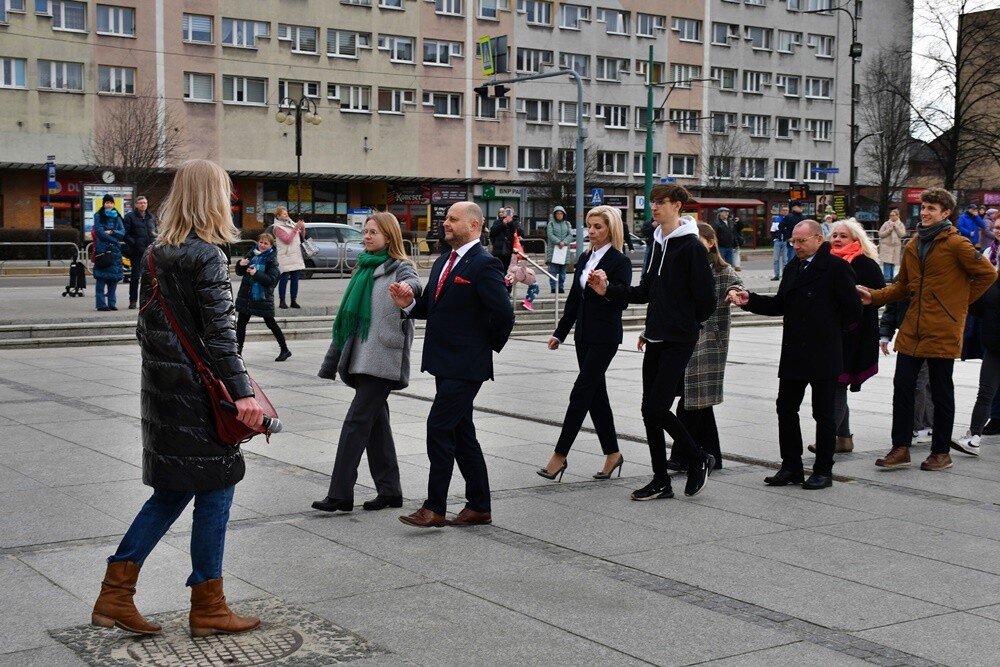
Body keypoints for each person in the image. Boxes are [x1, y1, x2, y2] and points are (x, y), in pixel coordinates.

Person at [91, 159, 265, 637]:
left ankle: (115, 593)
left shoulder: (153, 254)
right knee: (216, 491)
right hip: (200, 399)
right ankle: (207, 606)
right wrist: (243, 394)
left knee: (172, 493)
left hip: (164, 395)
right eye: (225, 191)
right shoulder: (208, 256)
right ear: (212, 197)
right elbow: (222, 339)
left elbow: (144, 330)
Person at [390, 201, 514, 528]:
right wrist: (410, 304)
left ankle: (435, 507)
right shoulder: (445, 260)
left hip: (466, 365)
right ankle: (479, 505)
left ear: (473, 226)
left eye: (453, 219)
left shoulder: (484, 264)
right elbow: (433, 306)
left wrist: (484, 348)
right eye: (446, 218)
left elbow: (504, 314)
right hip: (443, 362)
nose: (445, 223)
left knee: (439, 428)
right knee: (461, 433)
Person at [590, 183, 717, 500]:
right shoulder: (656, 244)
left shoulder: (691, 248)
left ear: (677, 206)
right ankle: (661, 480)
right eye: (653, 202)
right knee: (650, 410)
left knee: (658, 407)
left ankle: (697, 456)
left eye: (660, 202)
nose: (654, 207)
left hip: (679, 337)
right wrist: (609, 291)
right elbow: (646, 291)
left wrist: (685, 323)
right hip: (657, 336)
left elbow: (707, 301)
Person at [858, 188, 997, 471]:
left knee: (942, 391)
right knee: (903, 389)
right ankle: (900, 448)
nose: (925, 212)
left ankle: (940, 452)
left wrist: (959, 304)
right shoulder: (913, 244)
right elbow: (901, 286)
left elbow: (988, 274)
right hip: (913, 329)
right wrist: (875, 296)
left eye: (932, 208)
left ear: (946, 213)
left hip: (943, 329)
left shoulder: (956, 243)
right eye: (923, 207)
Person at [729, 219, 862, 490]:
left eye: (801, 241)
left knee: (823, 414)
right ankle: (791, 466)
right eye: (793, 241)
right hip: (794, 352)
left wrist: (829, 331)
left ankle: (823, 470)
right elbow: (781, 304)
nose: (796, 246)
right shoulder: (794, 266)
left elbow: (853, 311)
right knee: (785, 408)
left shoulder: (836, 267)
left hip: (824, 352)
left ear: (818, 239)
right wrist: (750, 299)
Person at [312, 212, 422, 513]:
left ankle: (340, 494)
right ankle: (390, 491)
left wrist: (408, 291)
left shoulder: (400, 268)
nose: (367, 236)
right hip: (360, 357)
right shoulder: (362, 269)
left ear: (390, 236)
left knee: (355, 423)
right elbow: (347, 319)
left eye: (374, 232)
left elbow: (414, 285)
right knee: (376, 425)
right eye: (366, 231)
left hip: (383, 360)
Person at [538, 206, 631, 483]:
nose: (591, 231)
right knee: (596, 397)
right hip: (583, 337)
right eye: (589, 226)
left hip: (605, 338)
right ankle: (613, 454)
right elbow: (574, 300)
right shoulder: (585, 257)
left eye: (598, 227)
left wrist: (605, 289)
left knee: (580, 393)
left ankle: (559, 456)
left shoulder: (619, 262)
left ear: (611, 229)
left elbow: (623, 299)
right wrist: (560, 333)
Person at [666, 222, 742, 472]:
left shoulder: (722, 271)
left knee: (691, 400)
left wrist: (734, 292)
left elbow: (736, 283)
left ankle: (681, 455)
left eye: (699, 241)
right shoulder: (682, 267)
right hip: (683, 339)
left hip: (709, 342)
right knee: (699, 401)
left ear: (711, 243)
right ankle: (712, 455)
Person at [807, 219, 884, 455]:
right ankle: (843, 438)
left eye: (843, 236)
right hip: (830, 335)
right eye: (835, 235)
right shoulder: (825, 263)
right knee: (835, 384)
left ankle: (828, 439)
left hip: (854, 336)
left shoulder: (865, 264)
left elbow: (878, 295)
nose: (838, 239)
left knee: (836, 386)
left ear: (856, 240)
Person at [950, 275, 1000, 456]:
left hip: (994, 346)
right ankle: (973, 437)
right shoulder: (992, 283)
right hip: (994, 346)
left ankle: (974, 437)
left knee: (986, 393)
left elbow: (975, 307)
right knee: (986, 393)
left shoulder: (992, 283)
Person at [879, 298, 934, 445]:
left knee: (920, 382)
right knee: (922, 382)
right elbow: (892, 306)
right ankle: (925, 423)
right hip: (909, 337)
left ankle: (915, 427)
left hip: (931, 336)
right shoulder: (905, 278)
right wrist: (885, 334)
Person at [234, 233, 291, 362]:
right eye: (261, 242)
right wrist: (241, 264)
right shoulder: (252, 254)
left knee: (271, 323)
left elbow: (272, 280)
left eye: (266, 243)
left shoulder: (271, 261)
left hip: (262, 297)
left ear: (271, 245)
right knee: (241, 324)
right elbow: (240, 272)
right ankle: (238, 352)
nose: (262, 245)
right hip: (247, 296)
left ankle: (284, 349)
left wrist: (256, 274)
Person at [92, 193, 126, 312]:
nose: (109, 204)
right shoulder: (98, 215)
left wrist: (112, 232)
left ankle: (112, 303)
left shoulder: (117, 216)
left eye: (111, 202)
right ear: (104, 203)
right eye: (107, 202)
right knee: (101, 278)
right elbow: (99, 232)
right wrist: (114, 240)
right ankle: (101, 304)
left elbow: (123, 232)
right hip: (103, 249)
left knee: (113, 278)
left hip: (115, 251)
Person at [122, 195, 157, 309]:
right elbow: (125, 234)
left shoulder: (151, 217)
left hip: (150, 251)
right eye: (141, 203)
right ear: (136, 205)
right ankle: (133, 300)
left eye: (145, 203)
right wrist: (135, 244)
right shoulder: (130, 217)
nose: (143, 205)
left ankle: (150, 300)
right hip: (136, 252)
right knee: (135, 276)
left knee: (151, 277)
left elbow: (155, 232)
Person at [272, 206, 306, 309]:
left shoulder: (292, 223)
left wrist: (302, 227)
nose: (286, 215)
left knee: (295, 280)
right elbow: (287, 239)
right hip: (285, 256)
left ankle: (293, 300)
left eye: (286, 213)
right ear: (278, 216)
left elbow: (302, 237)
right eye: (283, 214)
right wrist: (296, 228)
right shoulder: (277, 227)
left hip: (295, 255)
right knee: (284, 279)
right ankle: (282, 301)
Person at [489, 207, 523, 287]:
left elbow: (520, 233)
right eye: (506, 212)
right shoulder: (498, 222)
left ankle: (507, 291)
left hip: (510, 252)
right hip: (499, 251)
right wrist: (503, 224)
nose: (507, 214)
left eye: (509, 212)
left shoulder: (515, 222)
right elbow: (492, 232)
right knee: (498, 272)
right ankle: (498, 289)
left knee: (509, 273)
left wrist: (511, 223)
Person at [546, 205, 573, 293]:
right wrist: (558, 242)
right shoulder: (551, 223)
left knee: (563, 271)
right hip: (553, 250)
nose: (559, 215)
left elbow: (570, 235)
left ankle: (561, 286)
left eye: (561, 213)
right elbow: (550, 235)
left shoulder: (567, 224)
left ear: (563, 214)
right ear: (554, 215)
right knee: (553, 270)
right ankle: (553, 287)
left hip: (564, 251)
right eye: (557, 213)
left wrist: (564, 242)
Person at [878, 208, 907, 281]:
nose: (891, 217)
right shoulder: (886, 223)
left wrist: (896, 228)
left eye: (893, 215)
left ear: (898, 216)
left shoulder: (900, 224)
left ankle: (891, 277)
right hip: (886, 246)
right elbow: (880, 234)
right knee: (887, 262)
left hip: (895, 246)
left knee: (893, 262)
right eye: (890, 215)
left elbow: (902, 234)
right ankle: (887, 277)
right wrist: (888, 231)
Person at [770, 205, 789, 281]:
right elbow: (772, 230)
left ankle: (785, 275)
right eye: (784, 210)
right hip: (778, 240)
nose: (785, 212)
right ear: (781, 211)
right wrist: (774, 238)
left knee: (785, 260)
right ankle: (776, 275)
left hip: (785, 241)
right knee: (776, 259)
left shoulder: (790, 219)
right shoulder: (777, 219)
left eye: (786, 210)